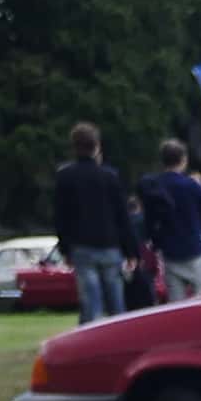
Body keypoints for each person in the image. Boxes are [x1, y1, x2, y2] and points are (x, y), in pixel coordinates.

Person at [52, 122, 130, 321]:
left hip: (81, 246)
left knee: (90, 299)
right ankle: (120, 337)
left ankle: (89, 338)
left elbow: (61, 216)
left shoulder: (65, 177)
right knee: (115, 299)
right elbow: (122, 216)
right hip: (110, 244)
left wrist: (65, 248)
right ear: (97, 147)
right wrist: (131, 249)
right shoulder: (110, 176)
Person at [138, 137, 201, 299]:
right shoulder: (190, 185)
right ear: (183, 159)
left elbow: (150, 220)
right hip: (194, 249)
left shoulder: (155, 186)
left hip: (169, 252)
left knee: (176, 303)